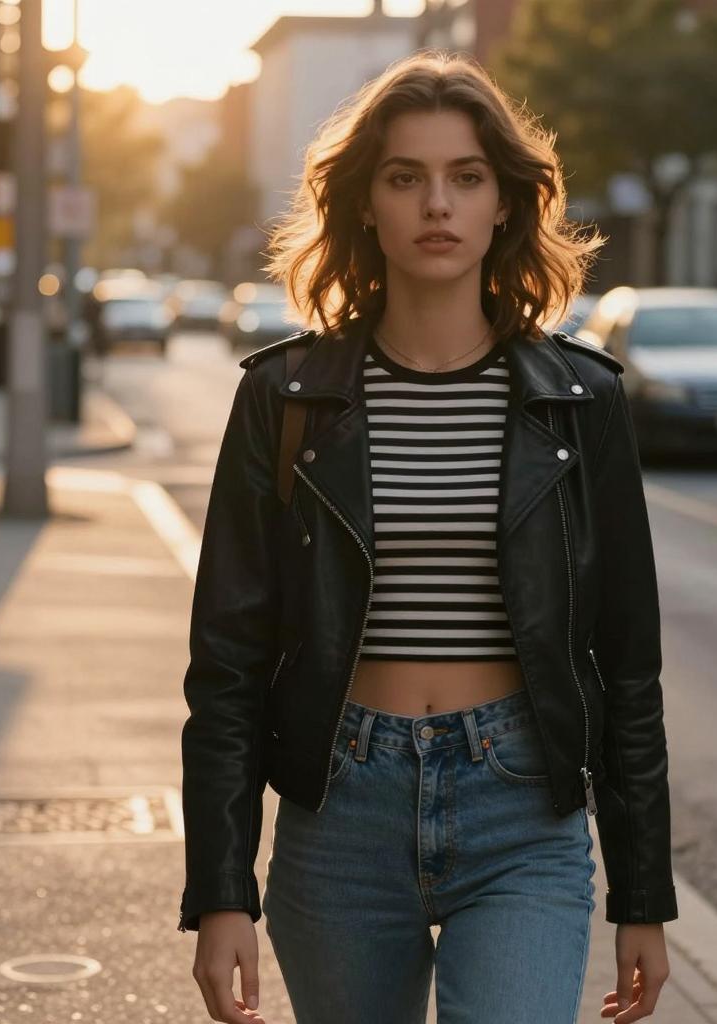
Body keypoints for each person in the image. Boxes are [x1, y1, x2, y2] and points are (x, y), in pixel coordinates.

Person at [178, 51, 678, 1024]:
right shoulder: (284, 399)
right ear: (366, 203)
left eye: (465, 176)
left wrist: (644, 896)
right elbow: (227, 661)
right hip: (341, 806)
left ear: (505, 203)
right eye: (405, 177)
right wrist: (220, 887)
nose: (435, 204)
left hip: (522, 807)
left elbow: (627, 664)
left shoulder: (581, 405)